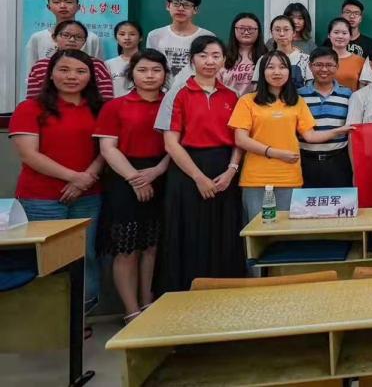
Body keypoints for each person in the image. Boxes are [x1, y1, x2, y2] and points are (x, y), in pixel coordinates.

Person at [10, 49, 105, 309]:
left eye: (80, 71)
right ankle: (52, 318)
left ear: (90, 76)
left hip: (89, 196)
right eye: (64, 70)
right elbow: (29, 155)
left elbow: (106, 151)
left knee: (85, 255)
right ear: (51, 74)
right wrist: (75, 178)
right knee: (48, 258)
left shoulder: (99, 109)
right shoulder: (30, 108)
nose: (72, 76)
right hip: (41, 198)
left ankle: (81, 316)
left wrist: (86, 180)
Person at [159, 36, 245, 293]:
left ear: (224, 60)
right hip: (188, 171)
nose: (210, 61)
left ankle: (224, 295)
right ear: (192, 59)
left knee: (224, 233)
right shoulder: (178, 93)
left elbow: (239, 139)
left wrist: (231, 171)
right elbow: (171, 144)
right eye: (203, 55)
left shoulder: (232, 95)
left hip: (224, 171)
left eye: (216, 56)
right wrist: (198, 177)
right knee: (189, 234)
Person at [230, 51, 352, 221]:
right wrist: (275, 153)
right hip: (255, 177)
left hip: (289, 175)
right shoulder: (247, 101)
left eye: (282, 67)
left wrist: (338, 131)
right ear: (262, 72)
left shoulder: (296, 101)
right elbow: (240, 139)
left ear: (289, 71)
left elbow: (310, 136)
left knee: (287, 228)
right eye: (270, 67)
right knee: (256, 228)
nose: (277, 72)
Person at [94, 49, 169, 323]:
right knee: (126, 248)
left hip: (162, 174)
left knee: (151, 246)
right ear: (131, 73)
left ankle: (148, 303)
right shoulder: (115, 106)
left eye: (156, 70)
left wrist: (157, 171)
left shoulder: (171, 104)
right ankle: (131, 310)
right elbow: (108, 149)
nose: (150, 76)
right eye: (142, 70)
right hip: (123, 176)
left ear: (165, 74)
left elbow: (177, 144)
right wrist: (135, 179)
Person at [298, 48, 356, 187]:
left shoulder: (348, 95)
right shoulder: (298, 95)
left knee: (340, 200)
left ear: (337, 67)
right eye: (318, 65)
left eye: (329, 65)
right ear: (310, 66)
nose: (324, 69)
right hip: (305, 162)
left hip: (339, 163)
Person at [27, 20, 115, 100]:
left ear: (84, 41)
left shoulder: (97, 65)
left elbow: (106, 100)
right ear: (54, 37)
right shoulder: (40, 66)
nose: (72, 40)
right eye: (66, 35)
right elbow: (32, 100)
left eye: (78, 37)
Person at [24, 0, 103, 72]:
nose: (62, 6)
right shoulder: (37, 38)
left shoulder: (92, 38)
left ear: (78, 7)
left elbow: (98, 71)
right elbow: (31, 72)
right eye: (56, 2)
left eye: (69, 2)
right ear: (48, 7)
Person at [145, 0, 214, 78]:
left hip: (195, 86)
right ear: (168, 6)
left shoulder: (208, 37)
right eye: (176, 4)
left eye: (186, 5)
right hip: (163, 86)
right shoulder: (155, 35)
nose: (180, 8)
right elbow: (151, 66)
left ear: (195, 10)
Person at [254, 15, 312, 89]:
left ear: (294, 32)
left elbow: (310, 87)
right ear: (272, 33)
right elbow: (257, 87)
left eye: (286, 29)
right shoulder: (263, 59)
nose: (282, 34)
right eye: (277, 30)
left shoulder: (306, 59)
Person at [221, 12, 267, 97]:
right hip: (227, 103)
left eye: (251, 29)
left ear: (258, 31)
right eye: (241, 28)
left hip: (256, 103)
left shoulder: (266, 55)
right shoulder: (222, 55)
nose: (246, 32)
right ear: (234, 30)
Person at [325, 17, 365, 91]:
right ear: (329, 35)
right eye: (336, 32)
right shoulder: (321, 59)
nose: (340, 36)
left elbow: (363, 90)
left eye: (344, 33)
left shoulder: (361, 61)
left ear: (350, 36)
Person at [105, 20, 143, 97]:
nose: (127, 38)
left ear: (140, 38)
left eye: (132, 34)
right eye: (122, 34)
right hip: (116, 103)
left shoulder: (149, 62)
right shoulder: (108, 64)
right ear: (116, 38)